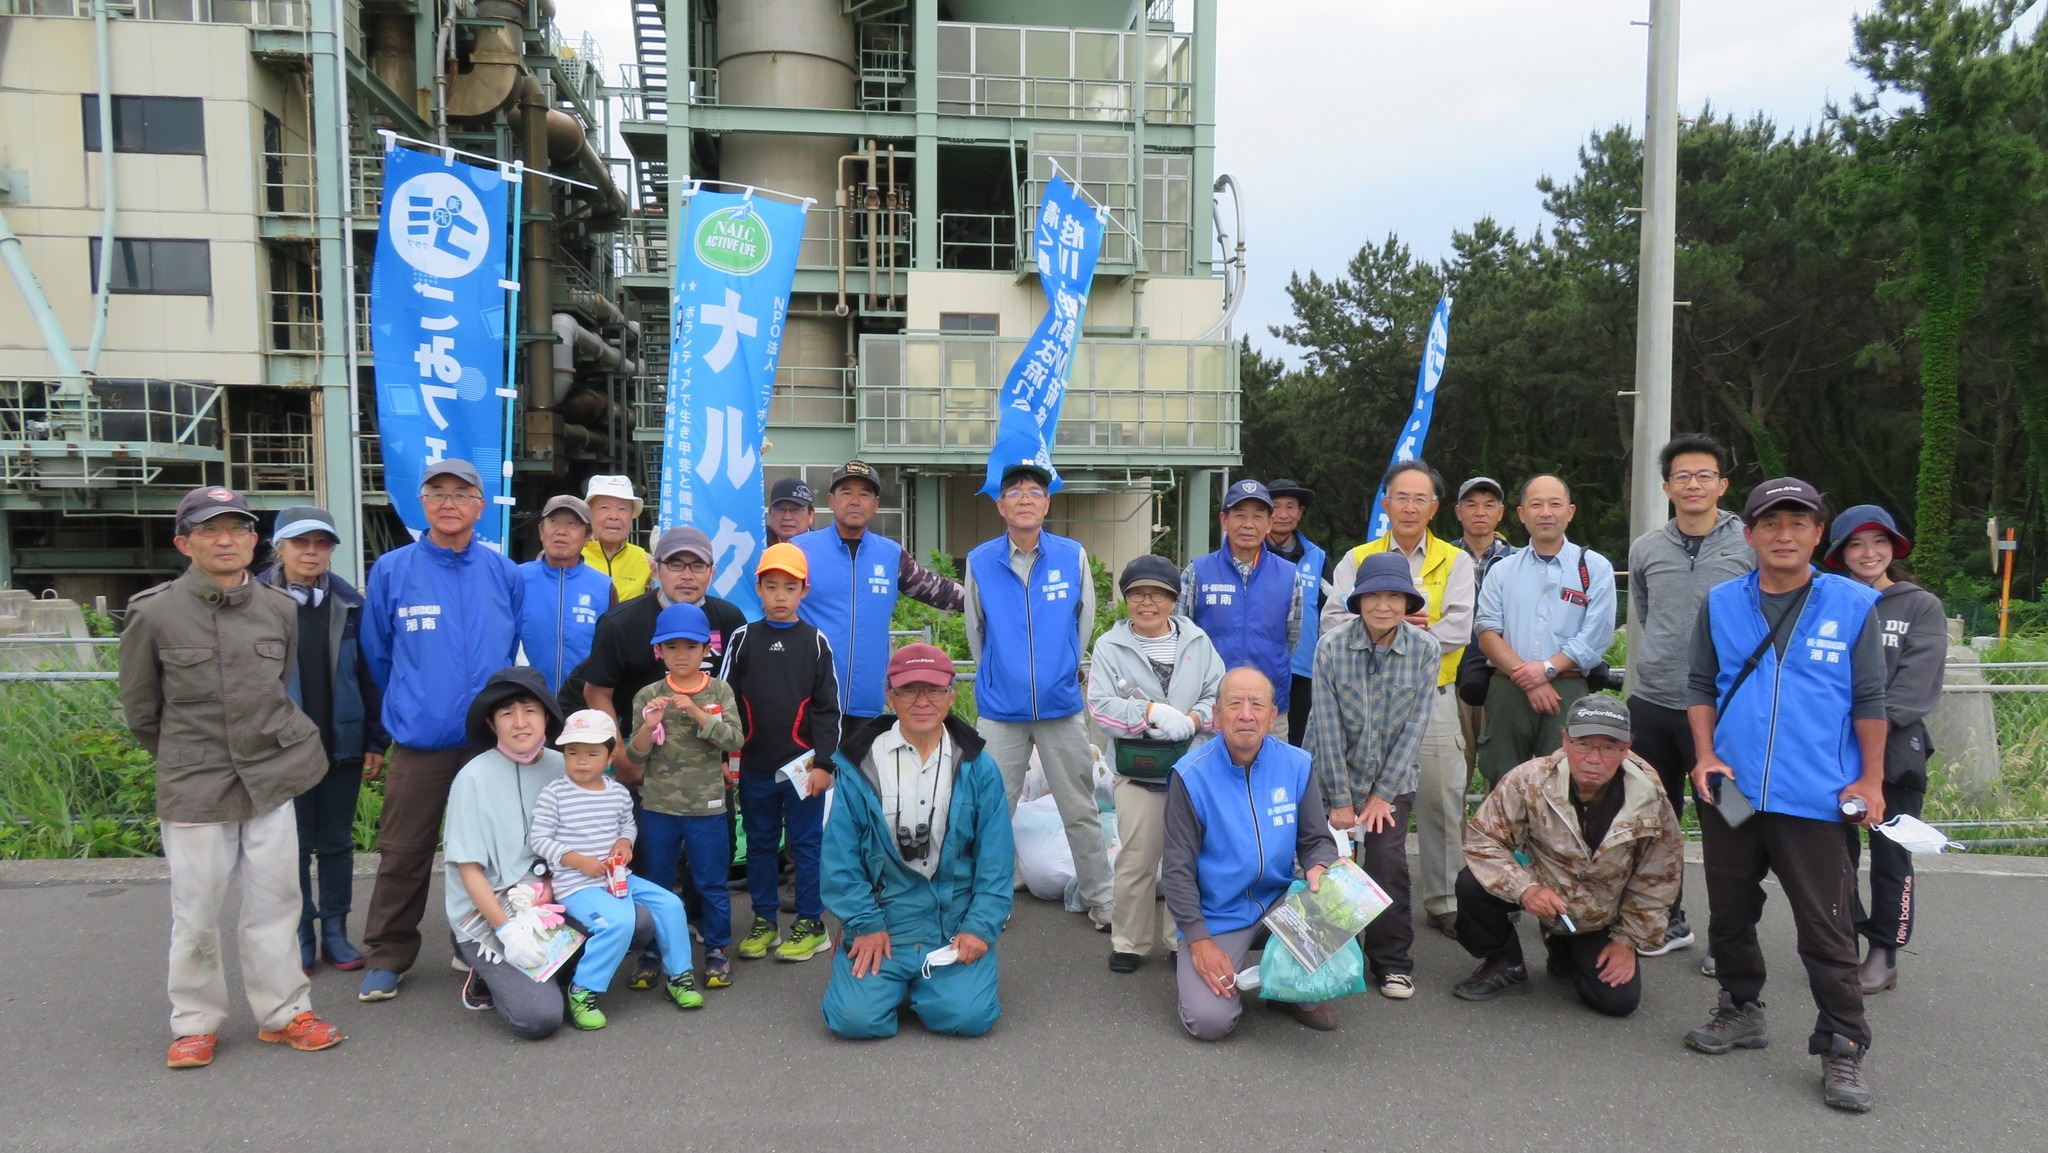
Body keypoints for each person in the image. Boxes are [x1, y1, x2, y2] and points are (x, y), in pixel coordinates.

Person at [1684, 477, 1887, 1113]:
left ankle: (1843, 1045)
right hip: (1736, 792)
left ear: (1818, 534)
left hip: (1816, 798)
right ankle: (1740, 1007)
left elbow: (1871, 701)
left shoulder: (1852, 605)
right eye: (1770, 524)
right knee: (1731, 907)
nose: (1784, 534)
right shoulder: (1721, 601)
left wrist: (1871, 780)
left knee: (1825, 927)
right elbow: (1699, 684)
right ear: (1748, 534)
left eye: (1798, 523)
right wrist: (1706, 755)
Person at [120, 485, 341, 1069]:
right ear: (184, 543)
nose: (225, 540)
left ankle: (285, 1011)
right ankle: (194, 1022)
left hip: (272, 773)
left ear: (253, 540)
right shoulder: (154, 612)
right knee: (196, 909)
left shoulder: (279, 609)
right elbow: (143, 713)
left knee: (277, 901)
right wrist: (187, 754)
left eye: (237, 529)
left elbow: (277, 687)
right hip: (195, 782)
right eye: (210, 530)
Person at [357, 458, 522, 1002]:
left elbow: (513, 650)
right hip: (420, 742)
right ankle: (387, 954)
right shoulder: (392, 570)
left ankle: (472, 941)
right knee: (404, 851)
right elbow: (377, 656)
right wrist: (406, 712)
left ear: (481, 506)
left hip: (486, 743)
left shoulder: (502, 572)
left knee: (490, 855)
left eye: (462, 493)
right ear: (422, 503)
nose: (449, 502)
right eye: (437, 492)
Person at [821, 644, 1014, 1039]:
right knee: (853, 1021)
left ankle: (929, 982)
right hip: (884, 918)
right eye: (909, 691)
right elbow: (839, 857)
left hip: (952, 920)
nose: (922, 701)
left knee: (967, 1017)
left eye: (934, 690)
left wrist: (980, 927)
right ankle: (886, 976)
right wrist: (864, 923)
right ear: (889, 695)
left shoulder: (979, 766)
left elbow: (996, 859)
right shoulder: (859, 765)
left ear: (952, 694)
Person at [1452, 695, 1683, 1017]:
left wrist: (1628, 941)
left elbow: (1659, 876)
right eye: (1584, 744)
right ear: (1565, 739)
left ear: (1627, 747)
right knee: (1470, 883)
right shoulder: (1529, 779)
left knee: (1617, 1002)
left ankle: (1564, 947)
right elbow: (1483, 841)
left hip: (1600, 912)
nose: (1594, 758)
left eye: (1609, 747)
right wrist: (1525, 888)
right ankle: (1505, 962)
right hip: (1542, 885)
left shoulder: (1650, 796)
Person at [1322, 460, 1476, 938]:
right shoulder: (1358, 556)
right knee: (1357, 813)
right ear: (1384, 504)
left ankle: (1445, 900)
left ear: (1434, 508)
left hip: (1431, 693)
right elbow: (1332, 619)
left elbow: (1459, 625)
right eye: (1400, 497)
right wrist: (1382, 626)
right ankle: (1347, 915)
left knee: (1441, 801)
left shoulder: (1455, 559)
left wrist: (1404, 630)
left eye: (1420, 499)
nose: (1409, 507)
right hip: (1359, 699)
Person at [965, 462, 1114, 933]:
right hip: (1000, 712)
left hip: (1061, 708)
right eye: (1015, 492)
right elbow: (976, 631)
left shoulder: (1073, 555)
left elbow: (1084, 620)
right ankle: (989, 903)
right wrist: (999, 675)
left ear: (1047, 503)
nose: (1025, 498)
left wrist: (1062, 673)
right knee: (991, 813)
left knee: (1081, 808)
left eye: (1035, 491)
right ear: (1000, 504)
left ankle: (1101, 898)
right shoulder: (980, 560)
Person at [1625, 434, 1753, 959]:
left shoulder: (1749, 544)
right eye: (1683, 476)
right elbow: (1647, 612)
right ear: (1666, 487)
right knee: (1655, 820)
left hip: (1725, 709)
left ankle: (1732, 938)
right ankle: (1669, 920)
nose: (1694, 484)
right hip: (1653, 704)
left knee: (1731, 825)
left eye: (1705, 475)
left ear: (1722, 484)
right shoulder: (1646, 549)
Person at [1163, 668, 1343, 1039]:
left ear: (1272, 715)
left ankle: (1287, 990)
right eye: (1234, 704)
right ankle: (1255, 973)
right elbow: (1177, 869)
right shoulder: (1190, 775)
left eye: (1257, 704)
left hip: (1279, 902)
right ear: (1217, 715)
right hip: (1218, 914)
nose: (1246, 714)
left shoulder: (1296, 764)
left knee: (1341, 914)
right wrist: (1198, 940)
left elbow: (1316, 840)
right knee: (1209, 1022)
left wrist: (1319, 867)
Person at [256, 504, 385, 975]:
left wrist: (375, 739)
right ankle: (301, 933)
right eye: (300, 543)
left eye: (321, 543)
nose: (311, 552)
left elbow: (372, 676)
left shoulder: (351, 604)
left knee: (335, 842)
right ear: (280, 548)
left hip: (340, 742)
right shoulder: (253, 602)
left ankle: (335, 931)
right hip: (280, 748)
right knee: (290, 844)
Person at [1822, 504, 1945, 995]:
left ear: (1894, 548)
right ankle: (1842, 940)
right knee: (1835, 852)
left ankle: (1885, 951)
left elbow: (1916, 688)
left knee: (1892, 853)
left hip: (1896, 750)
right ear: (1839, 553)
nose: (1868, 553)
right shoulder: (1829, 599)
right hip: (1832, 749)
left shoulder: (1919, 605)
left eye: (1878, 542)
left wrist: (1868, 726)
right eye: (1855, 543)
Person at [1306, 554, 1441, 1000]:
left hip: (1392, 779)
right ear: (1358, 600)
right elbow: (1324, 726)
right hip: (1330, 774)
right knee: (1330, 863)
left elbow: (1415, 728)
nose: (1384, 605)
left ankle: (1392, 962)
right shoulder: (1330, 647)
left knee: (1386, 861)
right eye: (1374, 596)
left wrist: (1383, 795)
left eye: (1394, 596)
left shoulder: (1425, 650)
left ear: (1407, 602)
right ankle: (1325, 956)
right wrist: (1340, 799)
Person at [1086, 554, 1225, 973]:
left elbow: (1217, 692)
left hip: (1192, 768)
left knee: (1187, 858)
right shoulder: (1111, 645)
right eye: (1138, 594)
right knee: (1137, 857)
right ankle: (1129, 941)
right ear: (1126, 599)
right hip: (1137, 769)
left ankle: (1180, 939)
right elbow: (1100, 706)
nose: (1148, 602)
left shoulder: (1197, 641)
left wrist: (1194, 719)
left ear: (1174, 598)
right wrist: (1148, 714)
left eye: (1159, 594)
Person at [530, 709, 701, 1029]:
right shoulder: (555, 794)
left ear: (610, 755)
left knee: (670, 904)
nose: (581, 761)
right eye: (573, 753)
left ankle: (679, 977)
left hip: (619, 877)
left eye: (592, 753)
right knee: (620, 922)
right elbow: (539, 839)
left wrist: (625, 843)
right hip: (576, 884)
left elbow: (627, 827)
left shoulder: (617, 793)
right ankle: (583, 991)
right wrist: (576, 860)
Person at [719, 543, 843, 964]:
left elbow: (828, 709)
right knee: (759, 844)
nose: (780, 596)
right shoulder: (743, 638)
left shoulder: (815, 641)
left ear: (803, 591)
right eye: (771, 587)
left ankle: (811, 924)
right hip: (754, 765)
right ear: (758, 588)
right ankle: (764, 922)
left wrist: (825, 763)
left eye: (789, 588)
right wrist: (725, 759)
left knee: (807, 845)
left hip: (803, 767)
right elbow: (724, 703)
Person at [440, 667, 570, 1039]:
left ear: (547, 716)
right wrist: (508, 931)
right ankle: (478, 964)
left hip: (555, 900)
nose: (520, 722)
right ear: (491, 723)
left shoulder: (564, 766)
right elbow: (469, 871)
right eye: (506, 713)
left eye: (530, 710)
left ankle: (547, 972)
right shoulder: (472, 777)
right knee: (539, 1017)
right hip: (493, 911)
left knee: (639, 923)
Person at [625, 602, 747, 987]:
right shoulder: (649, 694)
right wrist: (649, 725)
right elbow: (635, 753)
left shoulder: (720, 690)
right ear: (659, 650)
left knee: (711, 882)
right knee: (656, 883)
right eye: (671, 647)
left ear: (706, 649)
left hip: (708, 806)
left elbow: (735, 739)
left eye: (691, 647)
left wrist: (696, 713)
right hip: (659, 805)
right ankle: (652, 952)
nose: (682, 655)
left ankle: (716, 949)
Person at [1474, 475, 1617, 791]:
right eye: (1536, 505)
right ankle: (1508, 843)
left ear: (1570, 512)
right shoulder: (1502, 570)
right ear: (1522, 514)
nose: (1546, 512)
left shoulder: (1594, 568)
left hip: (1567, 689)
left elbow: (1596, 635)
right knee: (1503, 783)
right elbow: (1486, 632)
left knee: (1567, 783)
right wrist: (1528, 677)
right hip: (1507, 689)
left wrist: (1548, 668)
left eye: (1555, 504)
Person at [794, 459, 965, 723]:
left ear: (876, 504)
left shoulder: (890, 555)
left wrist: (991, 600)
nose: (855, 500)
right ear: (831, 500)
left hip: (868, 704)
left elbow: (937, 590)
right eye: (846, 492)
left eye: (864, 494)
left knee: (861, 766)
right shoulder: (799, 551)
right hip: (809, 701)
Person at [580, 525, 746, 748]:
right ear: (655, 570)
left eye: (698, 566)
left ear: (712, 573)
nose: (687, 575)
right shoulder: (619, 623)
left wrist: (726, 758)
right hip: (642, 751)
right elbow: (596, 693)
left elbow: (737, 694)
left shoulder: (729, 618)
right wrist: (622, 758)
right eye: (675, 565)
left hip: (709, 754)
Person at [1179, 479, 1302, 732]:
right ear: (1224, 520)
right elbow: (1182, 637)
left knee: (1269, 770)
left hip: (1268, 707)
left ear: (1269, 523)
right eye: (1239, 515)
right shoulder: (1197, 572)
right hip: (1210, 704)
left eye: (1258, 516)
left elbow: (1291, 639)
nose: (1248, 524)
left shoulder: (1289, 576)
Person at [518, 494, 615, 694]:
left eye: (572, 524)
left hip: (582, 706)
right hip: (526, 700)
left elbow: (610, 657)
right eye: (553, 522)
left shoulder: (604, 588)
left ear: (588, 536)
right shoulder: (516, 579)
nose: (561, 531)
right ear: (541, 531)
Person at [1453, 476, 1513, 781]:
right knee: (1451, 777)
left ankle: (1497, 831)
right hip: (1451, 680)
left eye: (1489, 505)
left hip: (1503, 680)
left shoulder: (1518, 561)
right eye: (1472, 505)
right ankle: (1453, 833)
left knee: (1502, 773)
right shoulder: (1443, 558)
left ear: (1500, 513)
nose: (1480, 511)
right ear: (1457, 512)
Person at [1264, 478, 1330, 747]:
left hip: (1303, 669)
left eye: (1290, 507)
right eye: (1275, 507)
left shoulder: (1318, 558)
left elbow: (1332, 612)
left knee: (1298, 741)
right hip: (1261, 665)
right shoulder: (1249, 554)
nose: (1282, 514)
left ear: (1300, 512)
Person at [581, 475, 652, 602]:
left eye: (622, 509)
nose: (614, 516)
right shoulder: (571, 557)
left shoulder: (645, 560)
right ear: (589, 514)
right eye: (604, 508)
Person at [764, 476, 815, 546]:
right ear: (770, 514)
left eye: (795, 510)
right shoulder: (758, 545)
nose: (787, 517)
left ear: (810, 515)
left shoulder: (824, 547)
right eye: (780, 509)